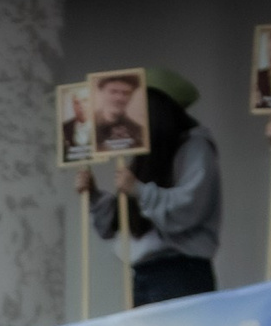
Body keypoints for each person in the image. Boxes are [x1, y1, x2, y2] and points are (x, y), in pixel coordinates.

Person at [81, 68, 221, 307]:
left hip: (180, 272)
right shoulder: (147, 153)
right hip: (144, 274)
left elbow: (188, 207)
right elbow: (121, 220)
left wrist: (139, 190)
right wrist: (93, 194)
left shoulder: (194, 147)